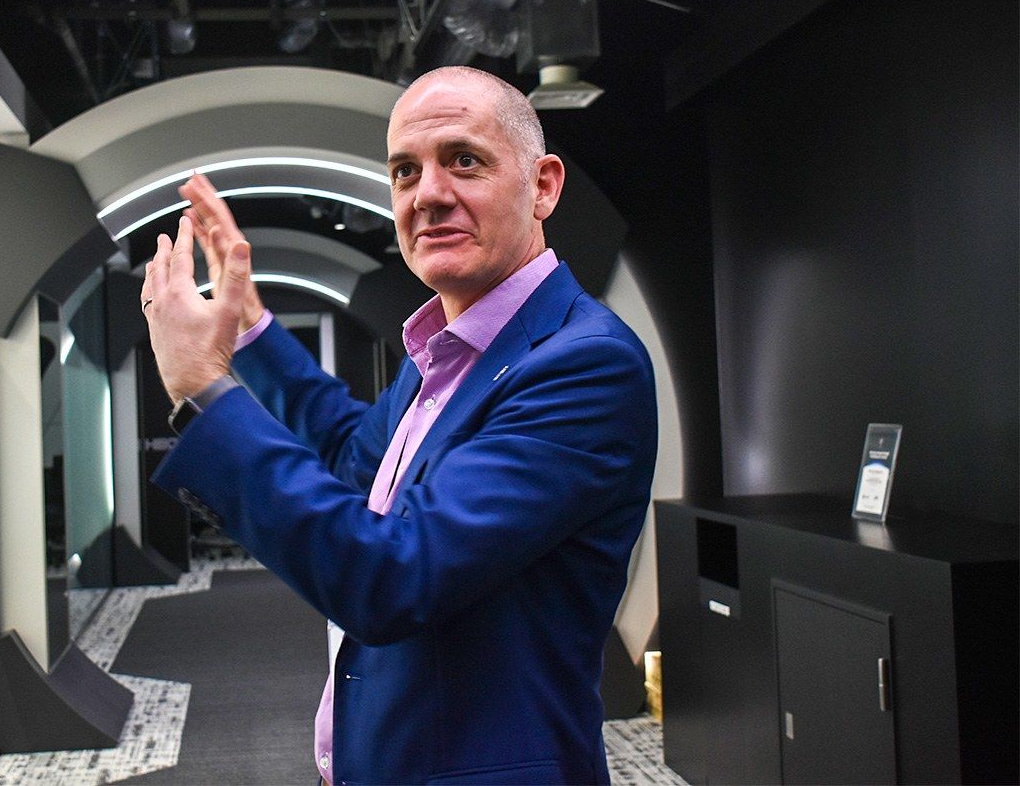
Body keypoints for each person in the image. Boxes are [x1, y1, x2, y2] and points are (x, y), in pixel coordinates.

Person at [140, 66, 657, 785]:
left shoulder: (584, 363)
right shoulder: (446, 351)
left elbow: (394, 578)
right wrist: (250, 323)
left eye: (464, 161)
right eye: (405, 172)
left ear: (542, 186)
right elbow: (353, 456)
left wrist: (203, 386)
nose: (428, 194)